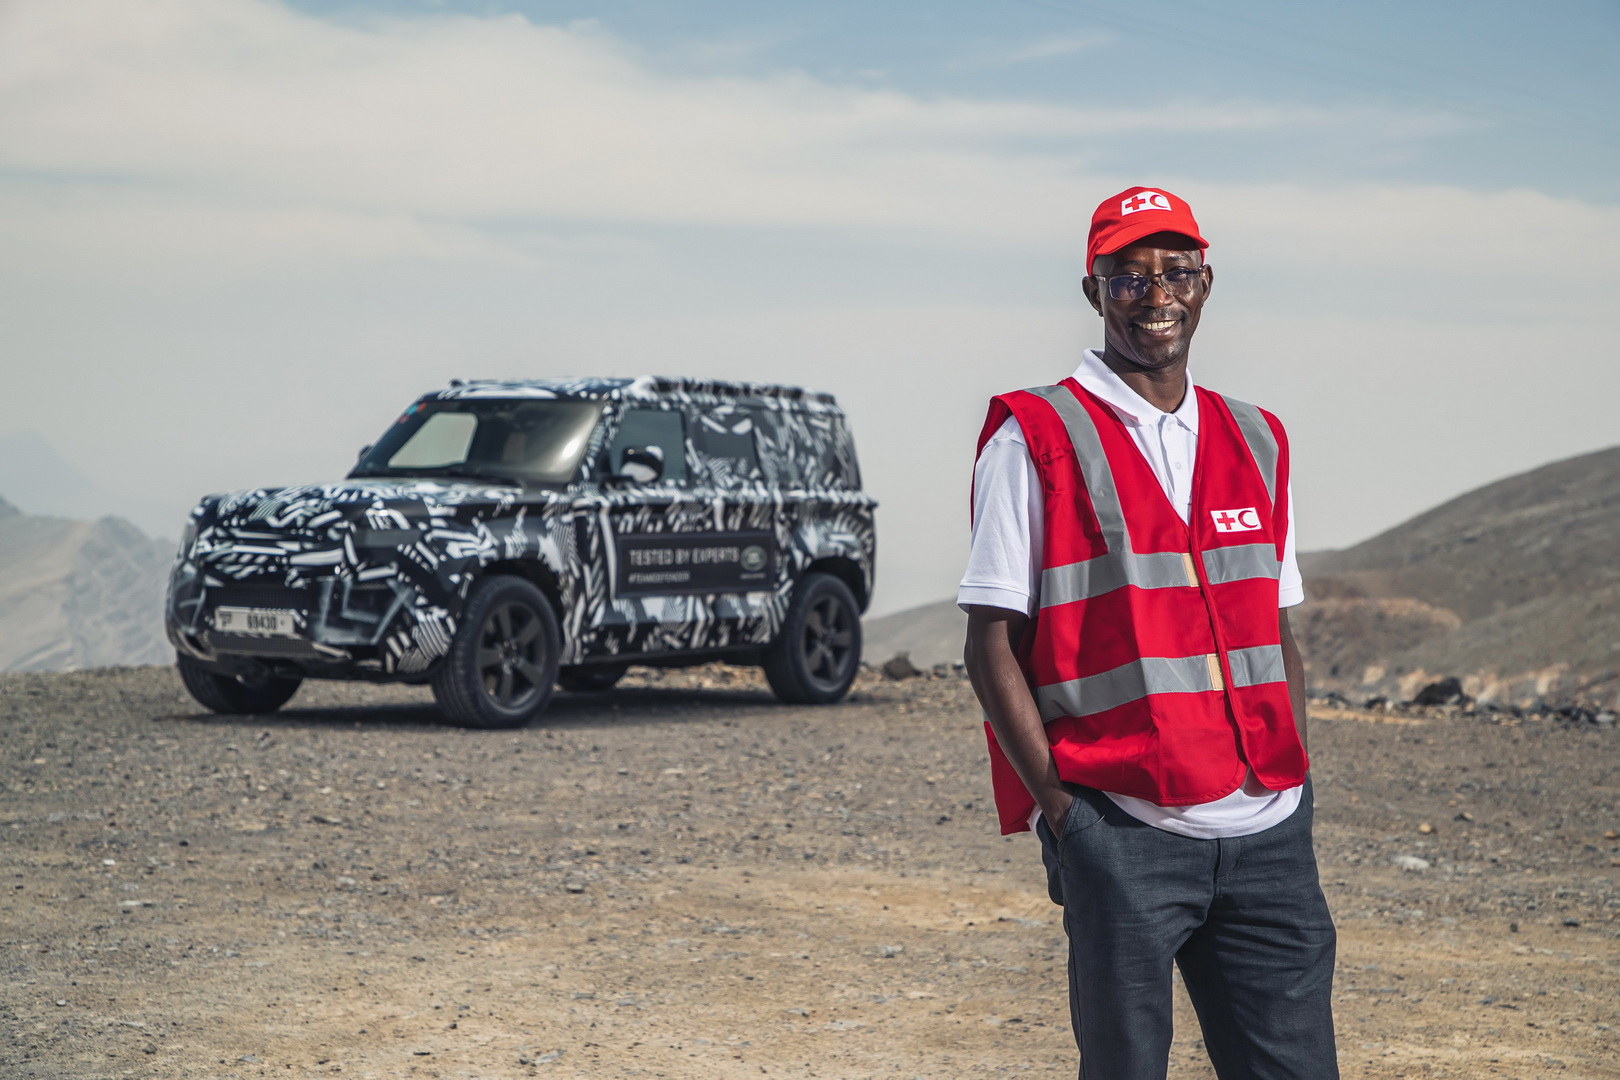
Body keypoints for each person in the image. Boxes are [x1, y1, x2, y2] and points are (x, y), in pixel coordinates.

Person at [960, 186, 1338, 1079]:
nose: (1154, 294)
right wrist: (1068, 821)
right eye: (1127, 277)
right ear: (1093, 292)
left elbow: (1277, 632)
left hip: (1269, 831)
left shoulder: (1260, 438)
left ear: (1206, 284)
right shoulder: (1035, 437)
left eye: (1174, 273)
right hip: (1124, 830)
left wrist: (1297, 774)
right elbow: (989, 646)